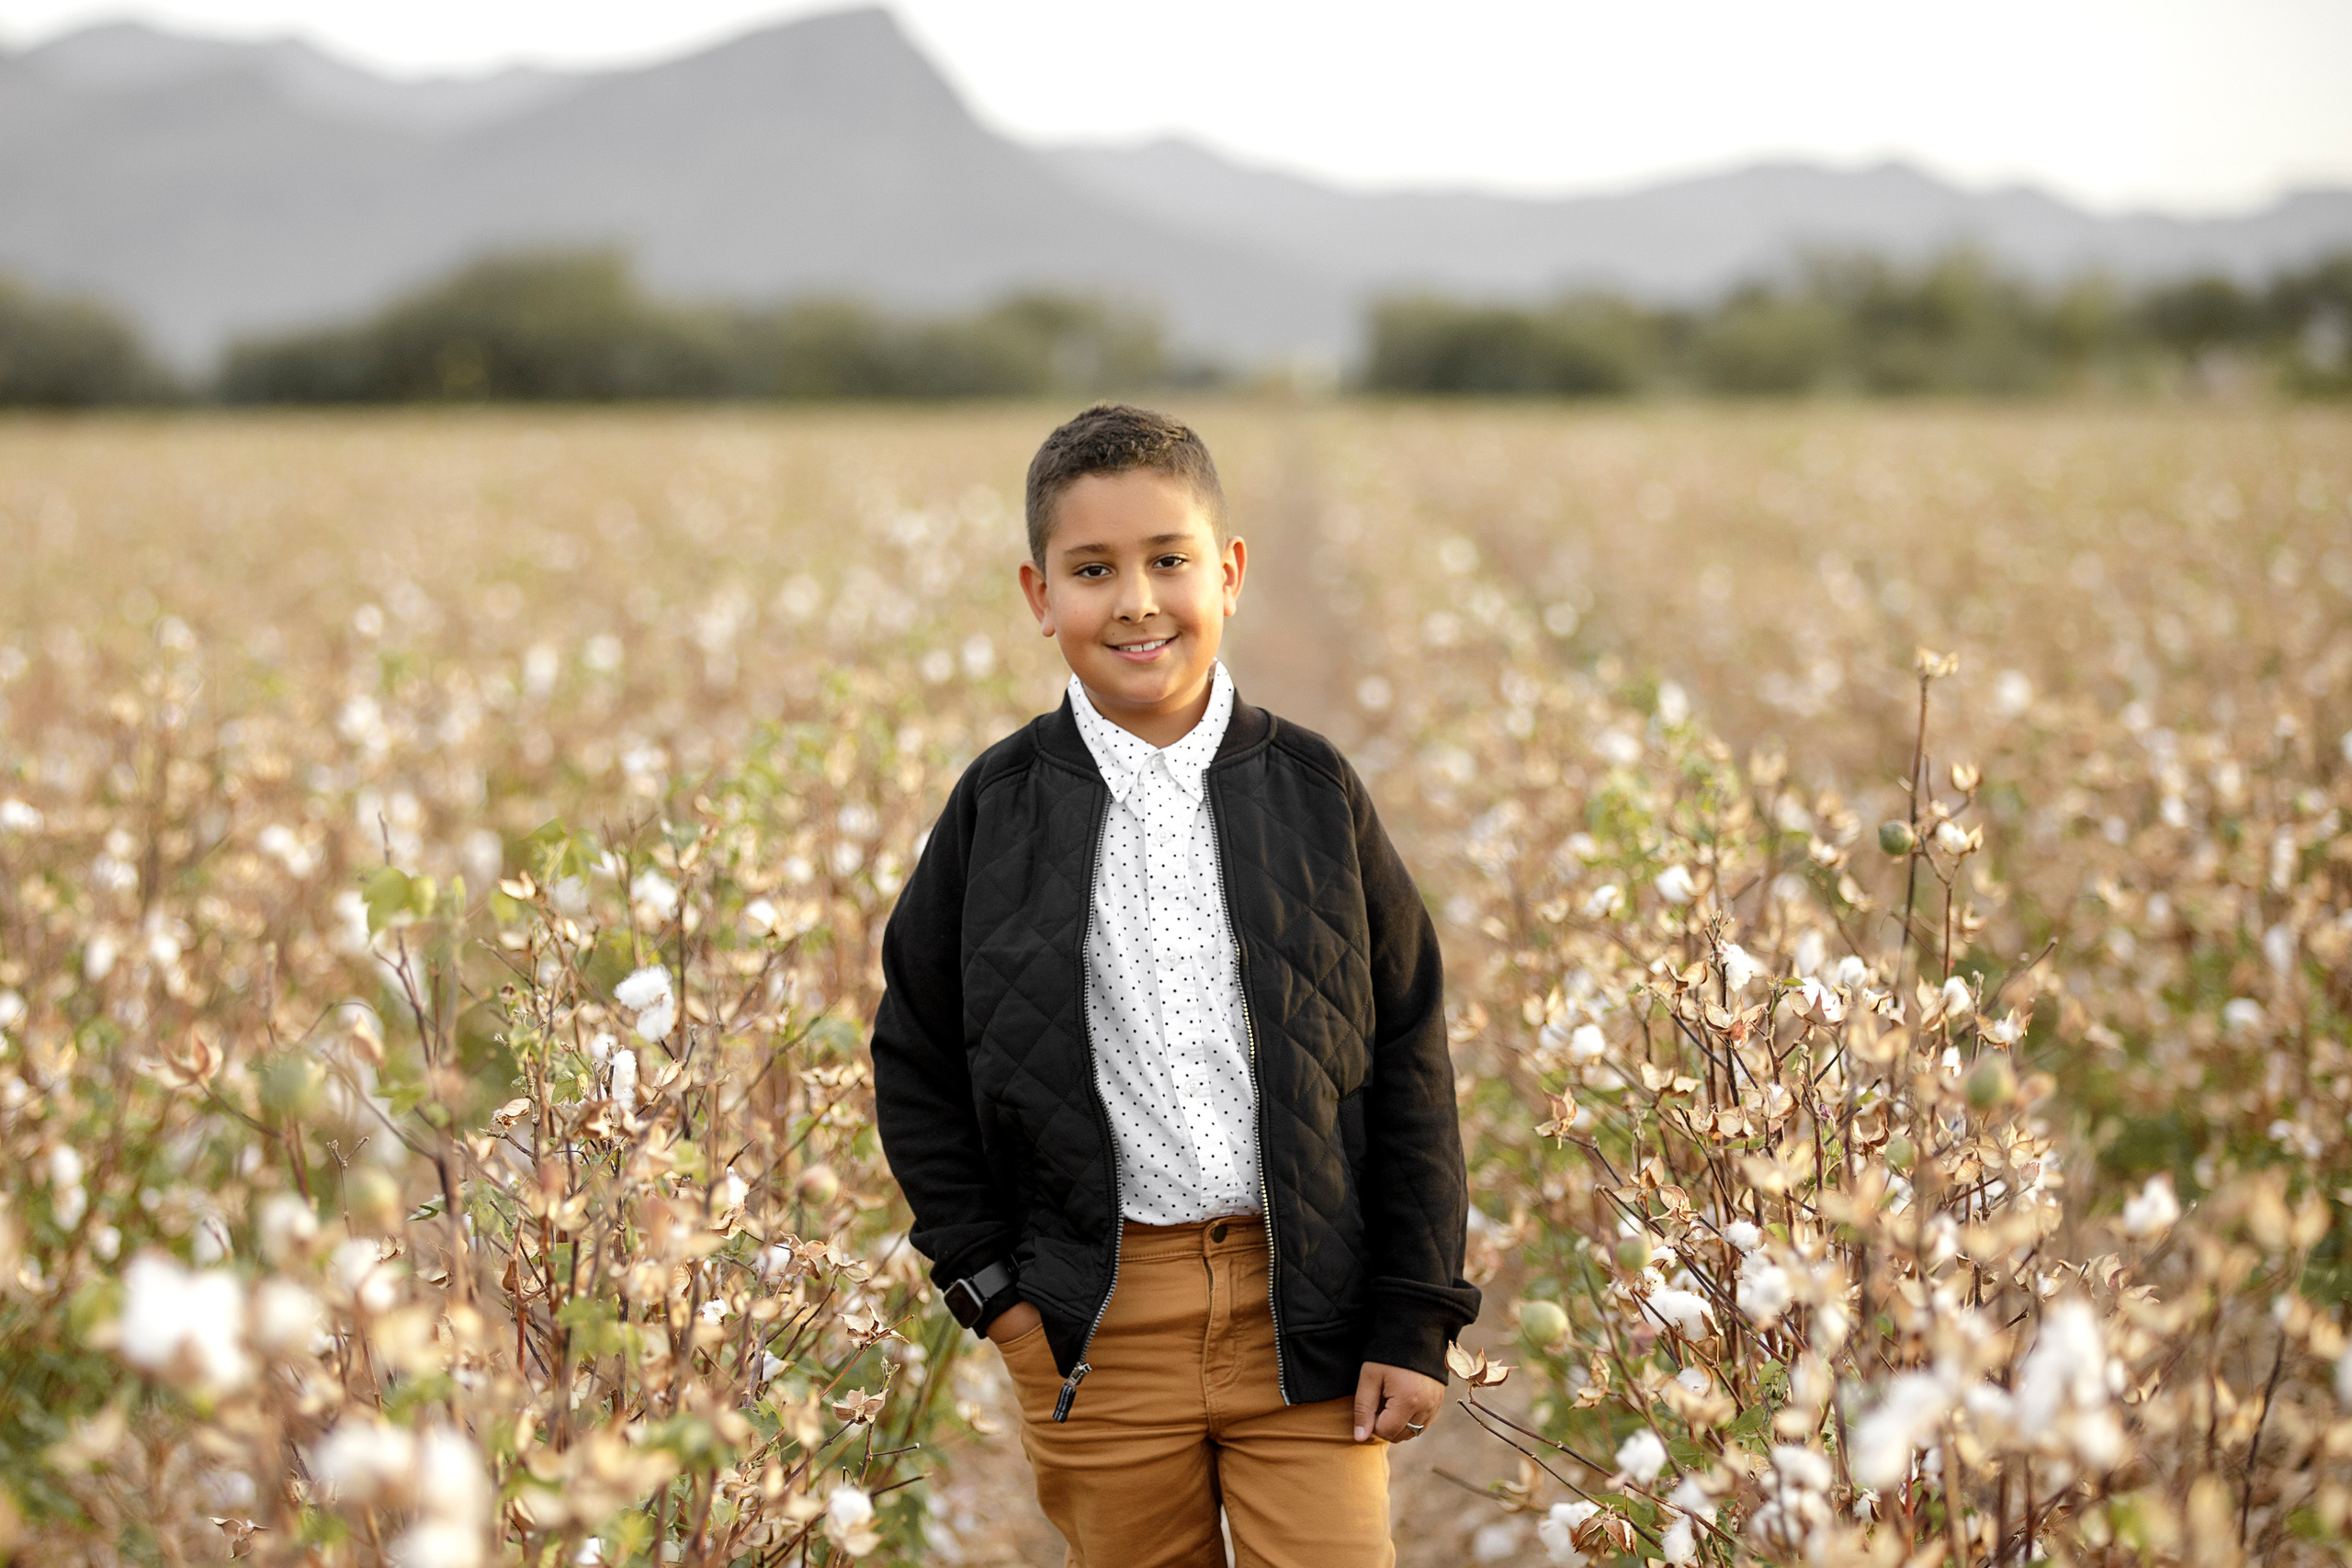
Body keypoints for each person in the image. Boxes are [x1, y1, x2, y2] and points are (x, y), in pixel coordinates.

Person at [870, 403, 1479, 1566]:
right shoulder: (996, 808)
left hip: (1307, 1310)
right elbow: (916, 1053)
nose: (1135, 601)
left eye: (1168, 560)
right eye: (1092, 570)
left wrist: (1414, 1313)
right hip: (1098, 1323)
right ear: (1039, 595)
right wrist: (995, 1294)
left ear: (1229, 574)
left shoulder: (1313, 792)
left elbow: (1408, 1049)